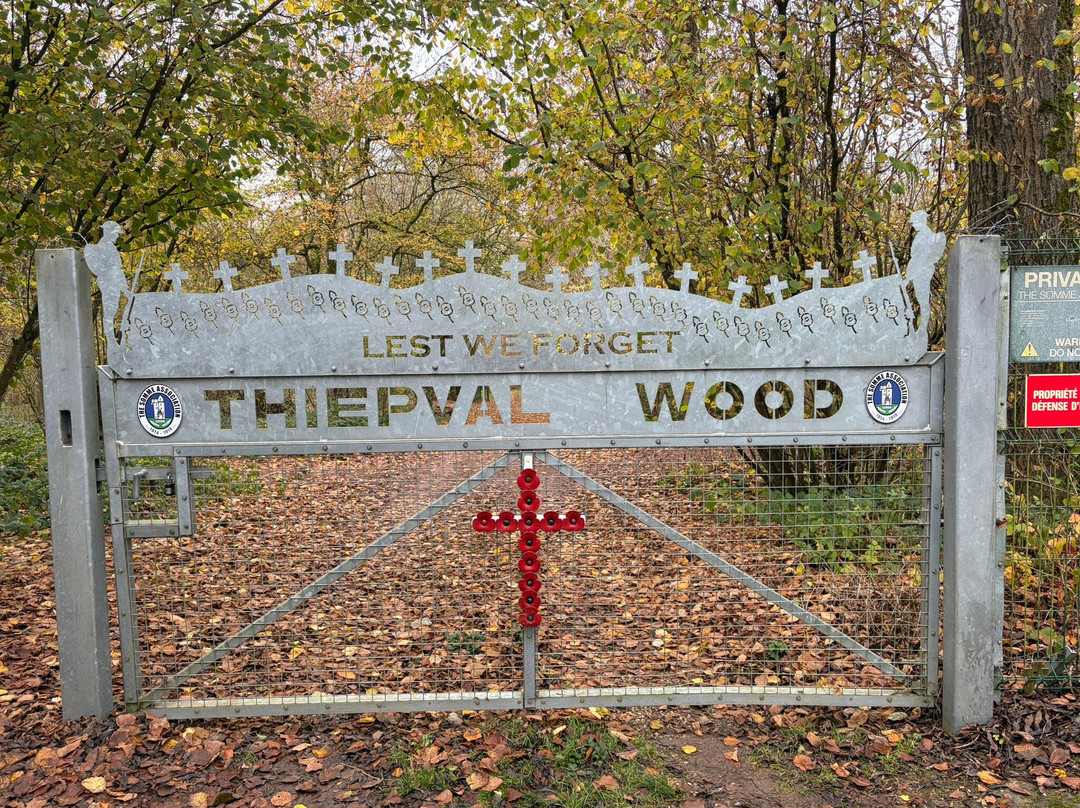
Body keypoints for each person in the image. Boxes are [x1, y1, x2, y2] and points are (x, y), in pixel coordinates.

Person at [84, 221, 128, 336]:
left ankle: (111, 335)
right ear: (109, 232)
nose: (117, 236)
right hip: (110, 281)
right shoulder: (104, 246)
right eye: (116, 233)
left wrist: (123, 284)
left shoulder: (109, 246)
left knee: (114, 308)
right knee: (110, 309)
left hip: (115, 280)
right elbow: (110, 268)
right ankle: (110, 336)